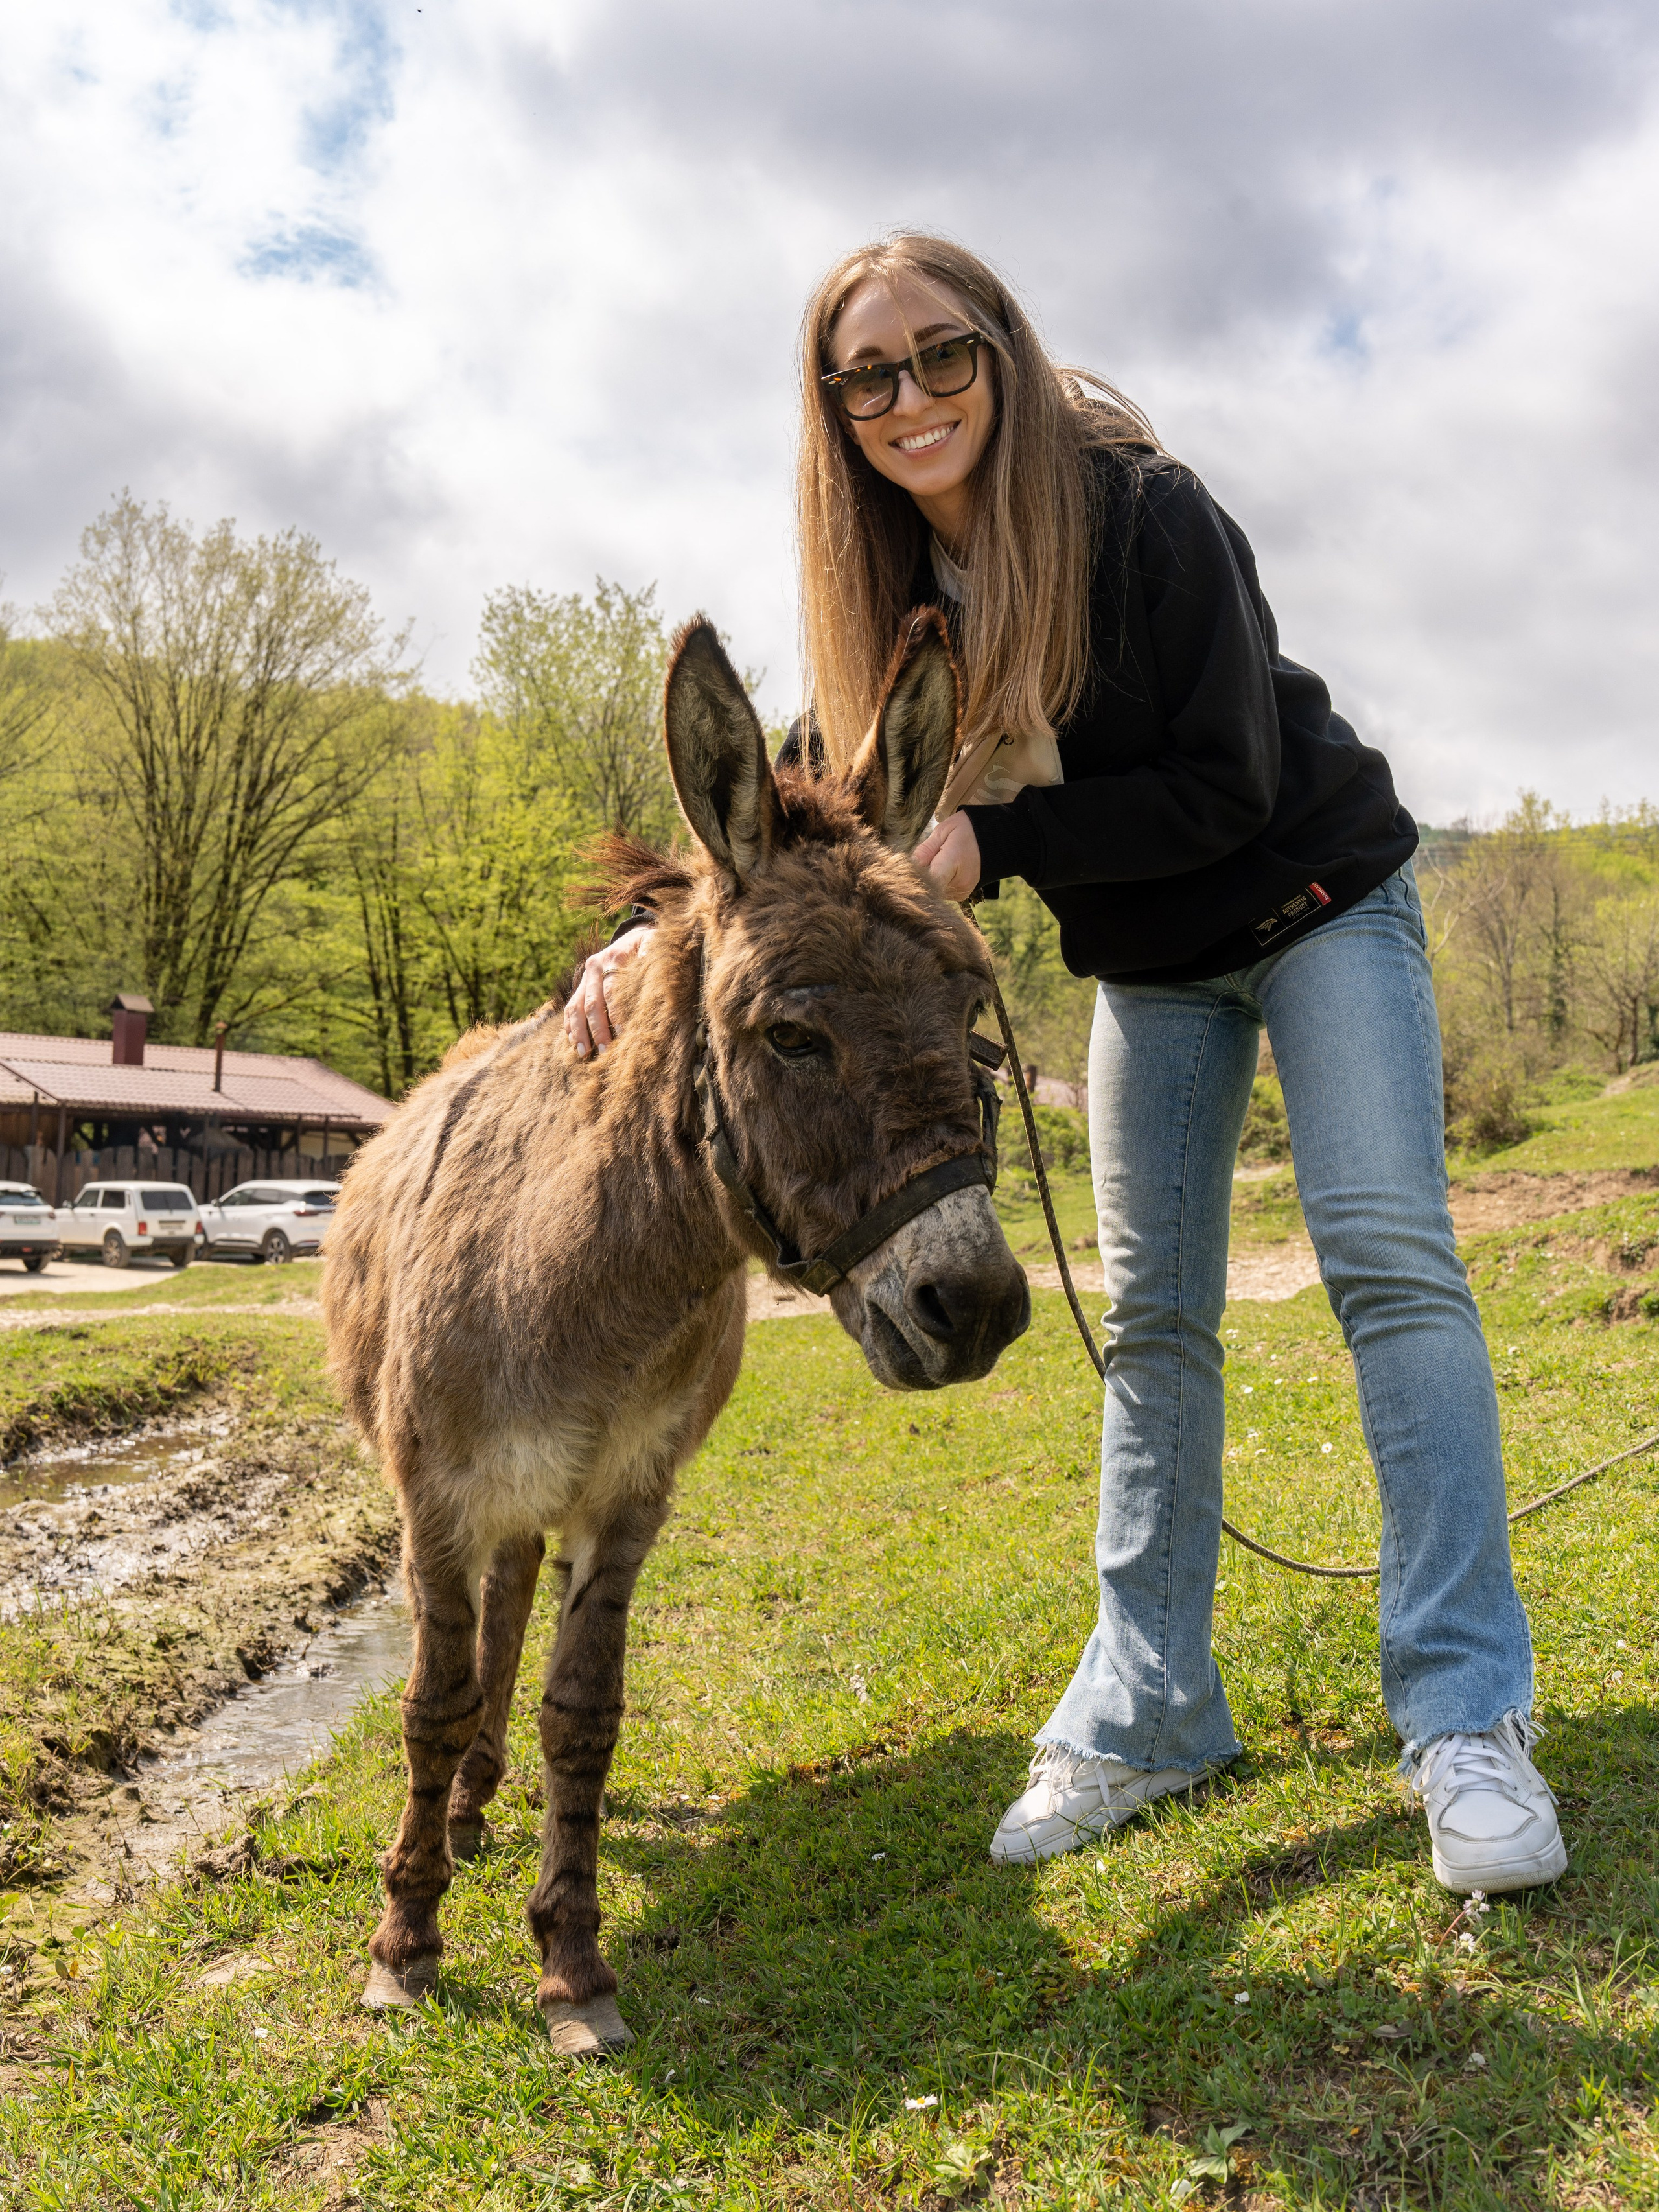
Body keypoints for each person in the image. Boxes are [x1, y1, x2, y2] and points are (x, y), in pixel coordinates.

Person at [566, 233, 1566, 1896]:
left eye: (939, 353)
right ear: (834, 412)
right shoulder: (883, 598)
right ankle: (1151, 1710)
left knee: (1387, 1267)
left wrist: (995, 834)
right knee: (1152, 1319)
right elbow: (771, 836)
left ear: (1003, 351)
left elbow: (1229, 781)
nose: (908, 398)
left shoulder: (1143, 513)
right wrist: (628, 946)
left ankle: (1465, 1719)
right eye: (864, 376)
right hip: (1152, 970)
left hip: (1321, 900)